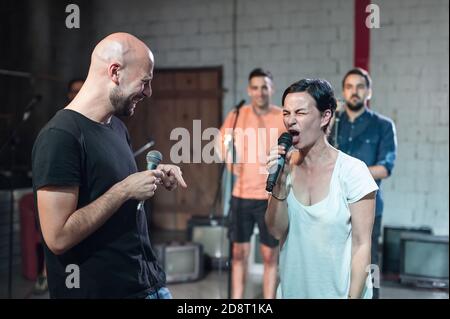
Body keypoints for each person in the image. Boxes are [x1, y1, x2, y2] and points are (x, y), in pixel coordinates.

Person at [32, 32, 187, 299]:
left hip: (145, 284)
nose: (148, 92)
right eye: (145, 82)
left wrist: (151, 177)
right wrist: (124, 189)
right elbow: (57, 237)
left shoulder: (116, 127)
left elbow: (110, 194)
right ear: (115, 72)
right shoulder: (60, 136)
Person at [265, 79, 378, 299]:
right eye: (286, 113)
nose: (291, 121)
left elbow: (362, 245)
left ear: (325, 116)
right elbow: (276, 231)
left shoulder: (353, 171)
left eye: (300, 112)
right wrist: (280, 181)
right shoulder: (284, 168)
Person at [329, 68, 397, 299]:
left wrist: (350, 173)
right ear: (343, 91)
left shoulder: (383, 125)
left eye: (360, 86)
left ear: (369, 91)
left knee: (369, 264)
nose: (354, 91)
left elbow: (385, 168)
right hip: (334, 206)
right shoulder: (333, 124)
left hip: (369, 207)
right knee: (335, 261)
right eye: (349, 87)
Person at [219, 68, 286, 299]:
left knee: (269, 255)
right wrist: (229, 161)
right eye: (255, 87)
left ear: (272, 89)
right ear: (249, 90)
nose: (260, 92)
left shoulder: (281, 116)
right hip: (241, 195)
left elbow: (295, 147)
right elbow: (222, 140)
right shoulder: (238, 114)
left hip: (270, 197)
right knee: (238, 254)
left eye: (264, 87)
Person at [33, 77, 86, 295]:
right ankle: (46, 273)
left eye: (81, 90)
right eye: (74, 91)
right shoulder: (60, 129)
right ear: (68, 94)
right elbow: (58, 237)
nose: (77, 94)